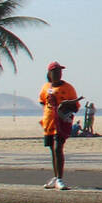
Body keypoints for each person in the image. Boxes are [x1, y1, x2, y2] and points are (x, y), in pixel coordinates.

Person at [39, 61, 79, 190]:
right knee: (53, 150)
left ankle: (60, 178)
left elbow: (76, 107)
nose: (58, 74)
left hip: (61, 123)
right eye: (55, 72)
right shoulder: (46, 87)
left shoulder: (68, 88)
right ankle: (55, 177)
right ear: (49, 74)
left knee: (58, 148)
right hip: (49, 123)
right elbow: (43, 103)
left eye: (60, 71)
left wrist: (65, 105)